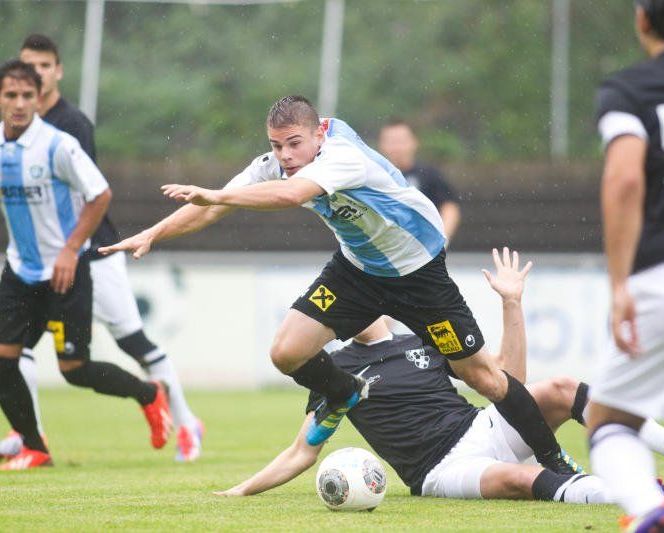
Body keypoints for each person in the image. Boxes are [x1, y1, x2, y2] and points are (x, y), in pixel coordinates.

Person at [100, 95, 576, 475]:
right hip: (359, 271)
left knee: (486, 379)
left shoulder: (342, 156)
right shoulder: (276, 160)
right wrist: (154, 232)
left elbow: (289, 195)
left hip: (419, 272)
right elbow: (209, 207)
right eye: (277, 146)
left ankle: (555, 461)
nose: (285, 156)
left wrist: (221, 194)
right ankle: (345, 391)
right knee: (287, 352)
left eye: (294, 144)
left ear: (318, 133)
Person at [214, 250, 664, 505]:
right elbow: (303, 451)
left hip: (482, 428)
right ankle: (632, 496)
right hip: (440, 471)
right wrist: (241, 490)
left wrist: (511, 303)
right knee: (520, 479)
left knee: (563, 388)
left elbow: (510, 385)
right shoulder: (334, 371)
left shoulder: (422, 339)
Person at [0, 34, 204, 463]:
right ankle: (31, 440)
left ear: (54, 74)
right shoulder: (8, 134)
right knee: (13, 356)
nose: (29, 82)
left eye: (40, 69)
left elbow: (89, 194)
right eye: (24, 69)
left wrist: (71, 250)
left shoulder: (67, 130)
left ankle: (185, 423)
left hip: (93, 255)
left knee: (126, 345)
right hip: (30, 267)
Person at [587, 1, 664, 531]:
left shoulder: (628, 90)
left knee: (608, 422)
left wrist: (620, 285)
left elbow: (625, 180)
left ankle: (650, 508)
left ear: (642, 22)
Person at [378, 119, 461, 243]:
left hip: (422, 250)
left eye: (401, 141)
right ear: (381, 145)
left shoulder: (429, 175)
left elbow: (449, 207)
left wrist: (441, 241)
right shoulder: (373, 177)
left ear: (414, 142)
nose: (397, 147)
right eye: (391, 142)